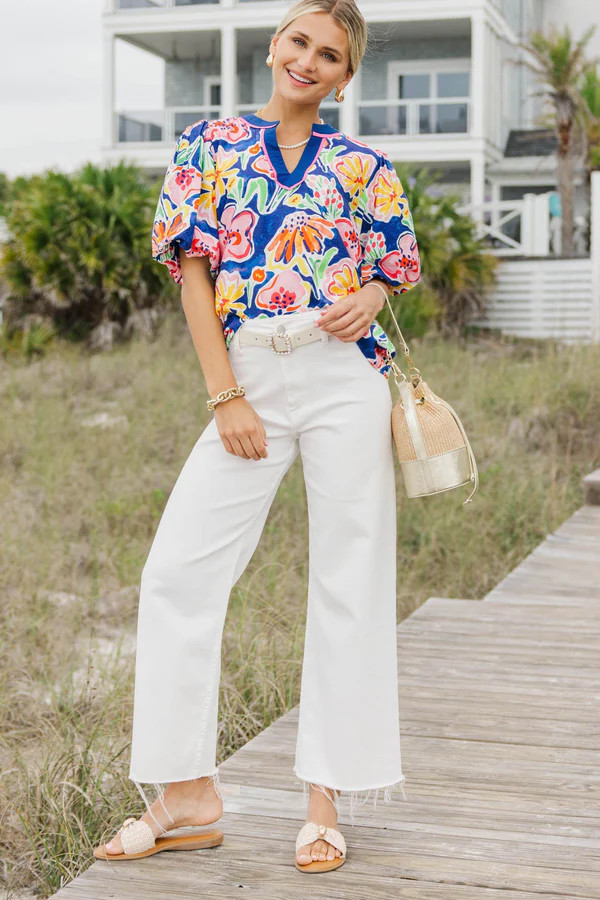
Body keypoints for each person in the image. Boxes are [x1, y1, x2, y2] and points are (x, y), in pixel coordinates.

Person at [93, 0, 420, 874]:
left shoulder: (366, 167)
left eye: (330, 55)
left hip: (344, 375)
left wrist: (371, 299)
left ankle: (325, 800)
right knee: (177, 573)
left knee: (348, 576)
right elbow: (194, 273)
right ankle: (188, 796)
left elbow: (392, 267)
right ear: (276, 46)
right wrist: (224, 394)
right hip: (247, 374)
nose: (308, 60)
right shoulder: (210, 145)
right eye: (300, 42)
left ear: (347, 78)